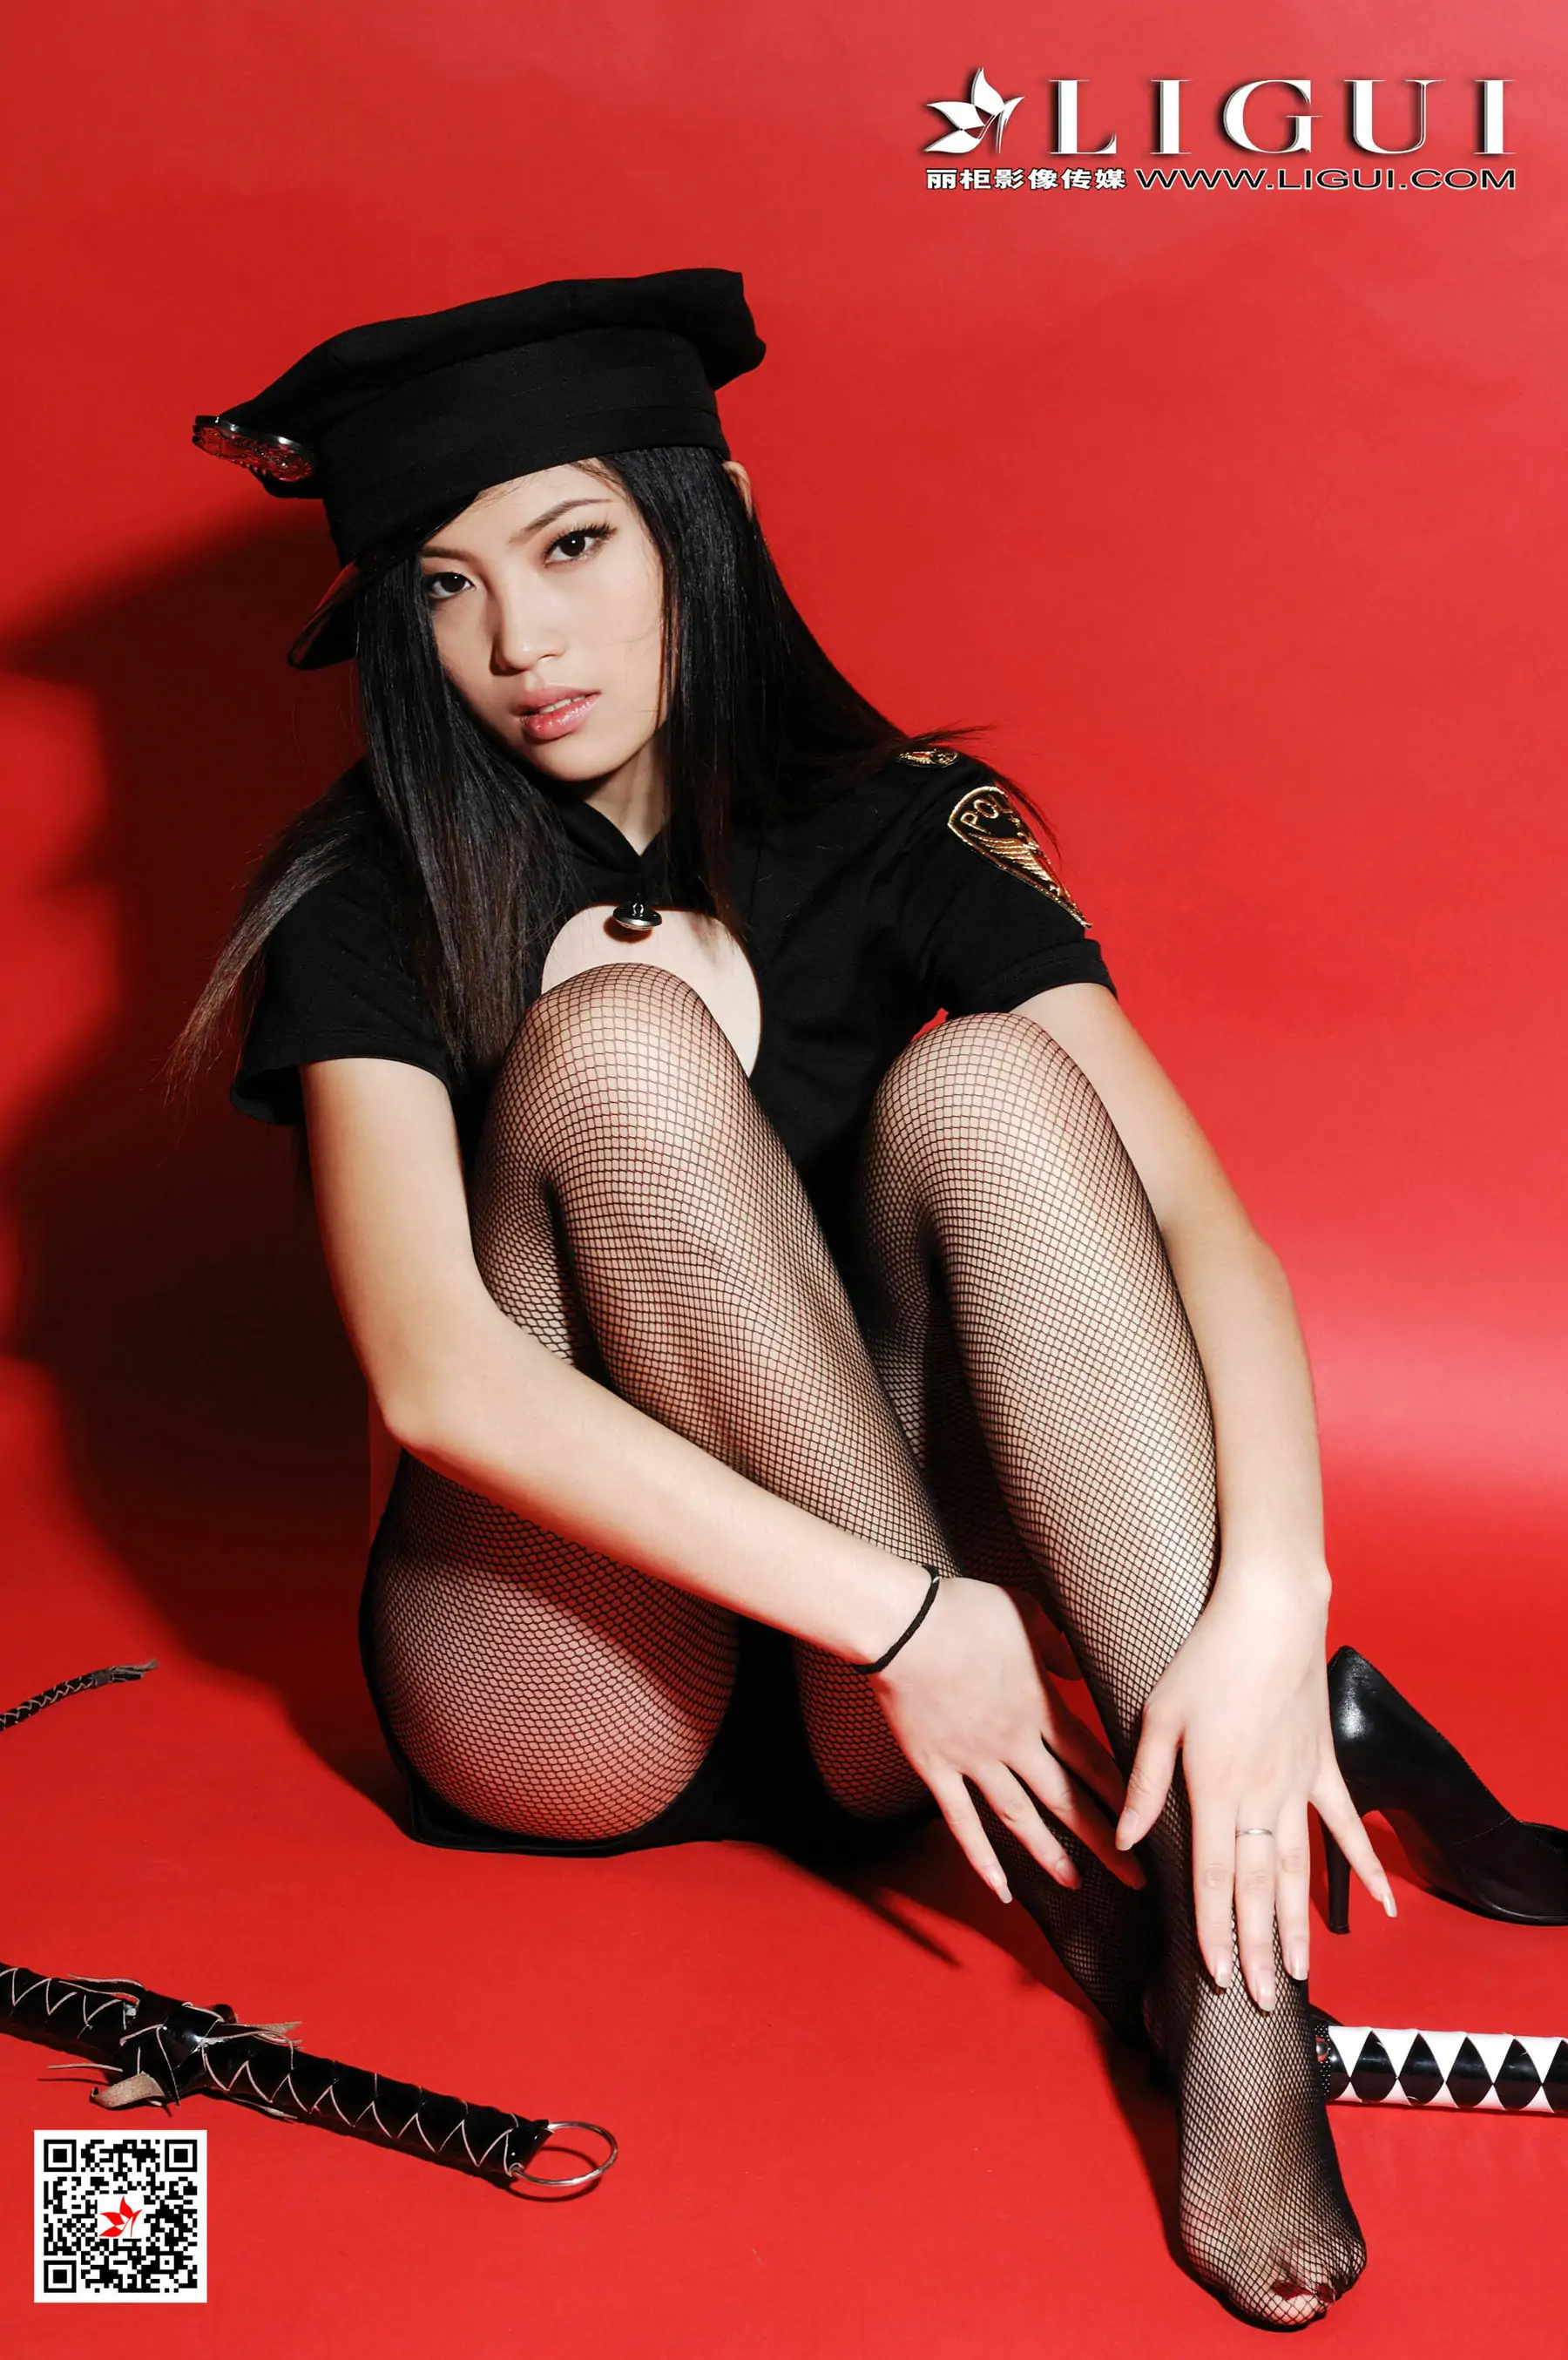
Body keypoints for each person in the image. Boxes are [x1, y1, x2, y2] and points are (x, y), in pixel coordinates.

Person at [173, 267, 1396, 2328]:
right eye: (446, 587)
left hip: (893, 1729)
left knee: (995, 1086)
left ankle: (1224, 1966)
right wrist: (906, 1613)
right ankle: (1077, 1878)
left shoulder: (903, 823)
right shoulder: (368, 888)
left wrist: (1275, 1601)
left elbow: (1208, 1229)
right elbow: (436, 1373)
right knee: (620, 1050)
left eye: (573, 545)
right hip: (570, 1682)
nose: (522, 641)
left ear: (705, 518)